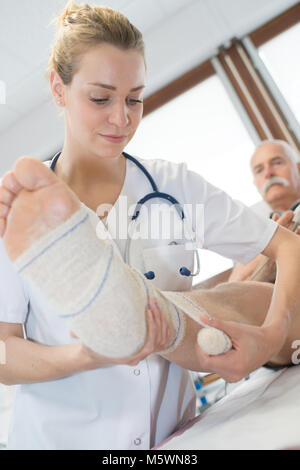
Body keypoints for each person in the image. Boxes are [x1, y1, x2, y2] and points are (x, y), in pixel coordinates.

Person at [1, 1, 300, 451]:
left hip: (170, 440)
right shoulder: (22, 210)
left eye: (134, 98)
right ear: (58, 89)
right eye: (101, 98)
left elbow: (289, 248)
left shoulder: (174, 184)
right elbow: (4, 353)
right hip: (59, 440)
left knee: (220, 302)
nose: (121, 118)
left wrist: (269, 337)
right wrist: (86, 355)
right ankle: (129, 315)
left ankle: (143, 313)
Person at [230, 140, 300, 283]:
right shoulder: (247, 223)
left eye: (277, 162)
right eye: (259, 170)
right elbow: (236, 285)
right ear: (255, 183)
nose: (268, 173)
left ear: (298, 168)